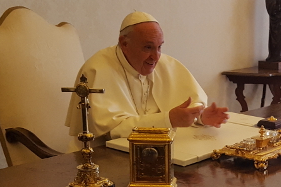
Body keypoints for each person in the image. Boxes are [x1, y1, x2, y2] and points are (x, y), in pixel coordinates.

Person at [64, 12, 229, 144]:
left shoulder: (166, 64)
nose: (155, 57)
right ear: (124, 44)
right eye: (148, 47)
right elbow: (111, 132)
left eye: (159, 47)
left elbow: (182, 112)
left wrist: (200, 116)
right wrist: (168, 119)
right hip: (107, 158)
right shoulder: (97, 69)